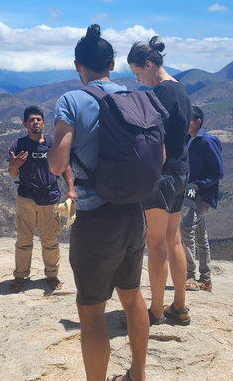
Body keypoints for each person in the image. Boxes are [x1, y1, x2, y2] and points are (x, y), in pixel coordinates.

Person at [48, 24, 149, 381]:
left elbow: (58, 164)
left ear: (78, 66)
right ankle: (137, 375)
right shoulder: (137, 97)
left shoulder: (72, 101)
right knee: (133, 297)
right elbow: (161, 154)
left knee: (91, 310)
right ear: (112, 63)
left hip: (95, 220)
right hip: (135, 215)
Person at [127, 36, 192, 326]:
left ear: (149, 65)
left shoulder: (161, 93)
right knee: (173, 239)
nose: (139, 80)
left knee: (154, 245)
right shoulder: (180, 89)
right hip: (181, 172)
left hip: (162, 176)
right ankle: (179, 306)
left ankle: (154, 311)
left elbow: (154, 139)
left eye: (138, 73)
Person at [7, 105, 75, 293]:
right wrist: (15, 165)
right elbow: (13, 174)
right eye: (31, 120)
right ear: (24, 124)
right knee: (23, 239)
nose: (35, 123)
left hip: (50, 197)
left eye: (38, 119)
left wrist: (71, 190)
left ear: (44, 123)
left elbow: (65, 167)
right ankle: (20, 277)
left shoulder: (53, 144)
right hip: (26, 197)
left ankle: (52, 276)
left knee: (50, 240)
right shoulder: (18, 145)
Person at [180, 105, 223, 292]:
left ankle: (190, 275)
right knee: (199, 235)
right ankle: (205, 279)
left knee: (185, 229)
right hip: (191, 192)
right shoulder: (189, 140)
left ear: (197, 122)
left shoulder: (206, 141)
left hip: (202, 194)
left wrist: (199, 184)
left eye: (188, 120)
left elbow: (218, 171)